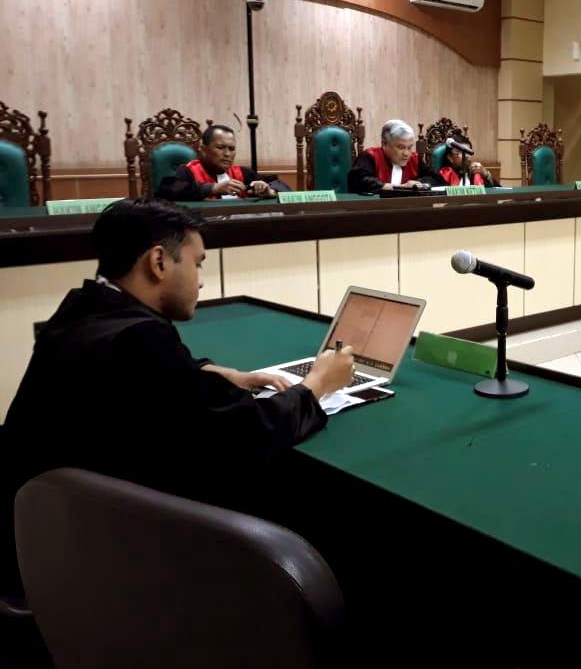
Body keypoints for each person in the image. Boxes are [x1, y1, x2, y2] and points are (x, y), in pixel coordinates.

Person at [0, 199, 354, 596]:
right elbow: (247, 433)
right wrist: (317, 385)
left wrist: (226, 375)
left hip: (39, 535)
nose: (200, 281)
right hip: (106, 560)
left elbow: (152, 380)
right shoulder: (139, 339)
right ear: (158, 262)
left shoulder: (84, 307)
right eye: (197, 263)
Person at [157, 124, 276, 201]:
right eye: (220, 147)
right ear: (203, 149)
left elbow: (281, 186)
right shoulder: (189, 170)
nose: (227, 154)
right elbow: (167, 191)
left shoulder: (241, 172)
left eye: (231, 149)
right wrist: (213, 188)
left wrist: (269, 191)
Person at [347, 120, 437, 194]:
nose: (406, 153)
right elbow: (358, 180)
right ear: (384, 144)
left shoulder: (414, 159)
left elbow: (436, 179)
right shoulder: (370, 156)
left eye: (409, 147)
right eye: (401, 147)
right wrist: (397, 187)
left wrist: (419, 184)